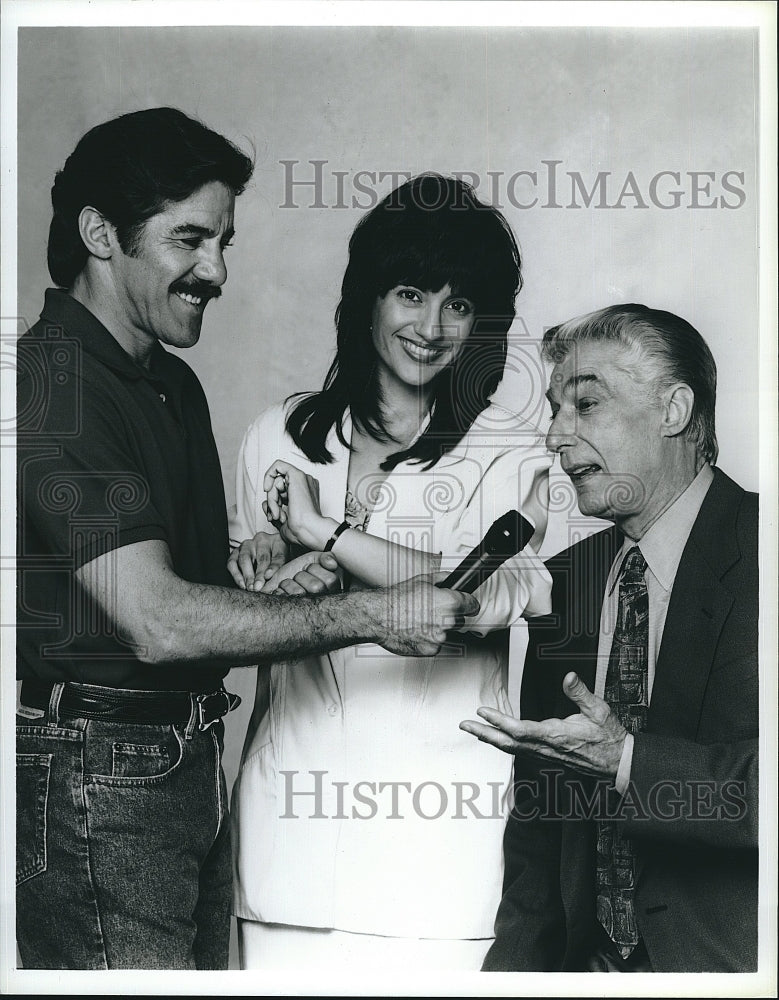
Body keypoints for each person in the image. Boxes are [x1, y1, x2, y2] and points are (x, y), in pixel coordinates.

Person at [15, 110, 477, 971]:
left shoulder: (170, 385)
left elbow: (188, 604)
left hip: (184, 766)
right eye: (189, 238)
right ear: (98, 233)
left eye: (224, 241)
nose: (216, 270)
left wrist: (263, 579)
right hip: (96, 781)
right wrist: (370, 614)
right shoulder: (51, 386)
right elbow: (160, 624)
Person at [228, 174, 553, 970]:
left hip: (439, 862)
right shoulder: (277, 436)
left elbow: (485, 595)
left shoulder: (512, 449)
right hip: (288, 849)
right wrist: (266, 574)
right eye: (410, 294)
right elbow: (241, 616)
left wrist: (328, 537)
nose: (431, 327)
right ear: (368, 299)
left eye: (459, 305)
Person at [461, 304, 758, 972]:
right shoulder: (565, 581)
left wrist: (628, 763)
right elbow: (537, 836)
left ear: (674, 410)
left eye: (585, 404)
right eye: (553, 410)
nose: (554, 437)